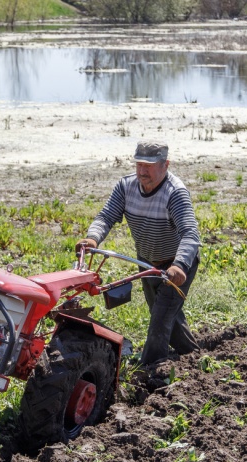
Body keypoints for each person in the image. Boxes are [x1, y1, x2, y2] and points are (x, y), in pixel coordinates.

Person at [76, 140, 201, 370]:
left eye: (149, 166)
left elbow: (190, 234)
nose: (142, 171)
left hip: (175, 267)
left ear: (165, 165)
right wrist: (93, 238)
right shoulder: (126, 187)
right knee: (163, 315)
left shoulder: (175, 193)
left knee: (159, 322)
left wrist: (181, 264)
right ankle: (193, 356)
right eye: (139, 164)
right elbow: (106, 216)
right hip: (147, 263)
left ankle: (151, 372)